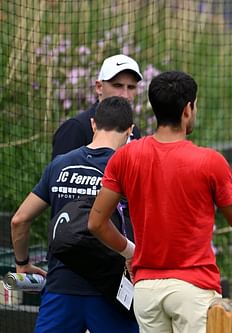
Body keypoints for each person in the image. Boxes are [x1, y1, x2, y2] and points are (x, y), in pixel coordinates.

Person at [88, 70, 232, 333]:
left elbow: (95, 223)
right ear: (187, 110)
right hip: (193, 290)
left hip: (146, 292)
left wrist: (131, 253)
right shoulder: (209, 161)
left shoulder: (125, 157)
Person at [11, 96, 139, 332]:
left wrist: (22, 263)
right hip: (109, 291)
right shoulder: (128, 168)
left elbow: (19, 220)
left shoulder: (60, 164)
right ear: (130, 130)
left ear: (93, 124)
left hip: (61, 288)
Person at [52, 54, 143, 159]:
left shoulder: (133, 131)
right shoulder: (76, 128)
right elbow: (59, 172)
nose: (125, 95)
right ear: (99, 87)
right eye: (118, 86)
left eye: (131, 87)